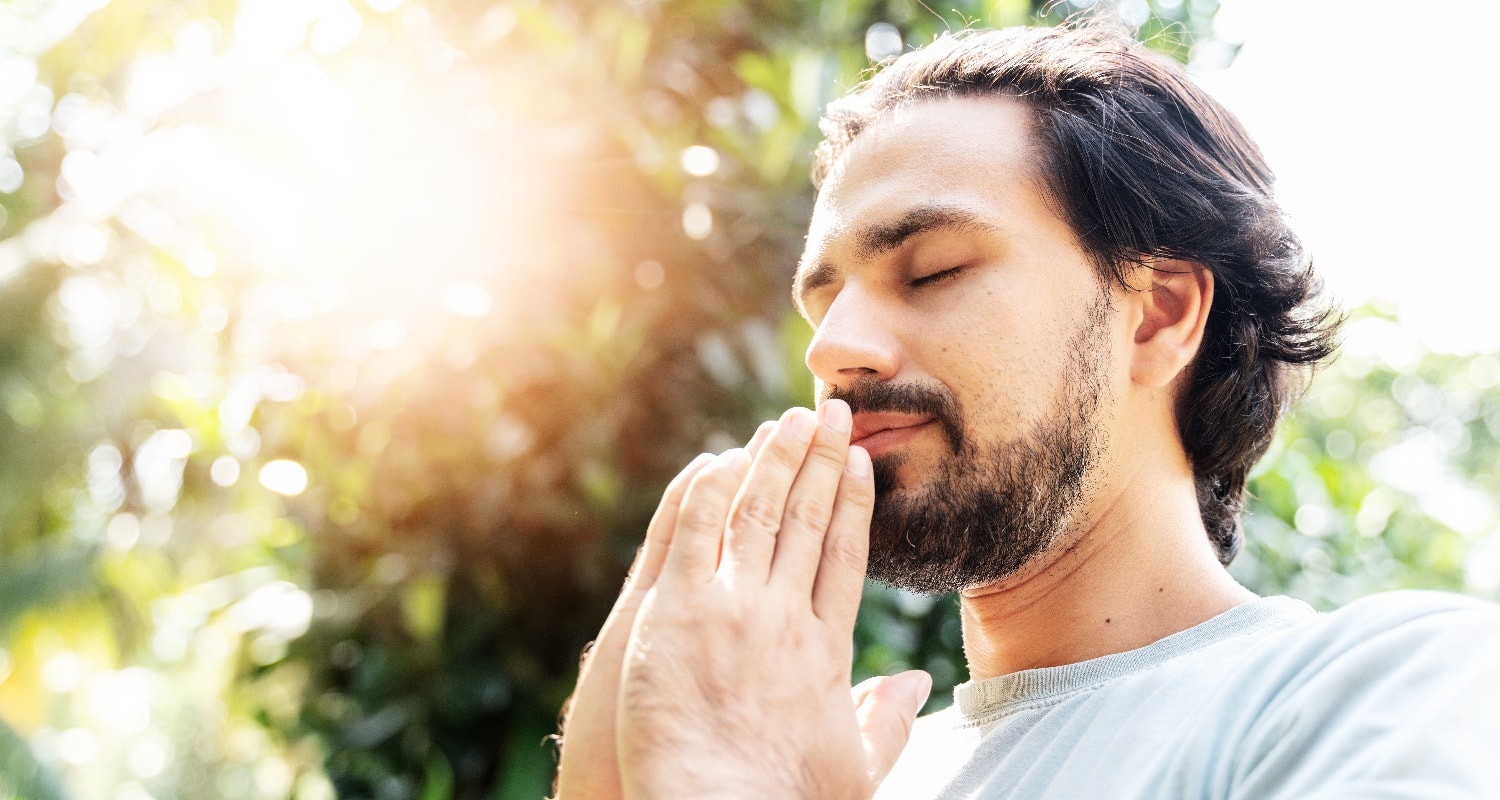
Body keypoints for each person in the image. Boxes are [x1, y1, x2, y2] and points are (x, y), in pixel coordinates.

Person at [552, 24, 1500, 800]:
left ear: (1160, 314)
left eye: (933, 270)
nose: (830, 348)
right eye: (821, 301)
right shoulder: (847, 771)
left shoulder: (1378, 692)